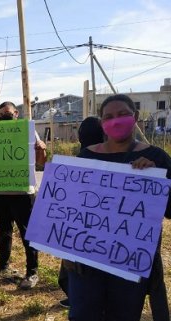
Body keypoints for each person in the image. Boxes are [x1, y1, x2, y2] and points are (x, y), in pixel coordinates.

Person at [66, 94, 171, 321]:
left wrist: (157, 180)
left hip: (130, 265)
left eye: (122, 114)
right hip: (86, 263)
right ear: (102, 123)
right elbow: (73, 207)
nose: (115, 121)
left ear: (134, 118)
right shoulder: (87, 157)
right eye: (109, 117)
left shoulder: (156, 156)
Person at [0, 101, 47, 289]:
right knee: (3, 232)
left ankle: (32, 272)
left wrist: (41, 149)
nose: (5, 117)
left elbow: (41, 162)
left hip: (23, 193)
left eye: (8, 114)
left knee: (27, 234)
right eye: (1, 115)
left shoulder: (29, 131)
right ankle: (3, 266)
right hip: (0, 193)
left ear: (17, 113)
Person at [58, 117, 104, 308]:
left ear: (79, 138)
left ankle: (79, 299)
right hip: (105, 232)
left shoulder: (76, 164)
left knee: (74, 272)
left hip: (78, 230)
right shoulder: (117, 160)